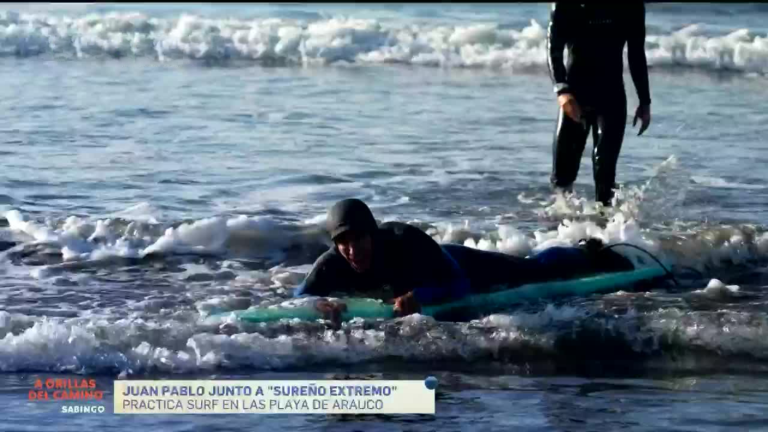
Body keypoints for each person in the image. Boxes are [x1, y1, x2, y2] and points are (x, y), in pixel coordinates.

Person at [294, 198, 634, 323]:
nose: (353, 250)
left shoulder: (403, 239)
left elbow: (458, 284)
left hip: (456, 265)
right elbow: (298, 299)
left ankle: (591, 252)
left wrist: (422, 297)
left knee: (532, 270)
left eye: (359, 239)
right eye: (344, 243)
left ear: (373, 234)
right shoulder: (331, 263)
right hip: (432, 279)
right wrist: (321, 305)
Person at [547, 2, 652, 206]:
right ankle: (558, 232)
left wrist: (645, 100)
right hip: (575, 95)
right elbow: (554, 47)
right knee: (562, 178)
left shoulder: (632, 5)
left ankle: (605, 232)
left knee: (605, 175)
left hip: (611, 95)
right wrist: (562, 90)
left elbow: (636, 52)